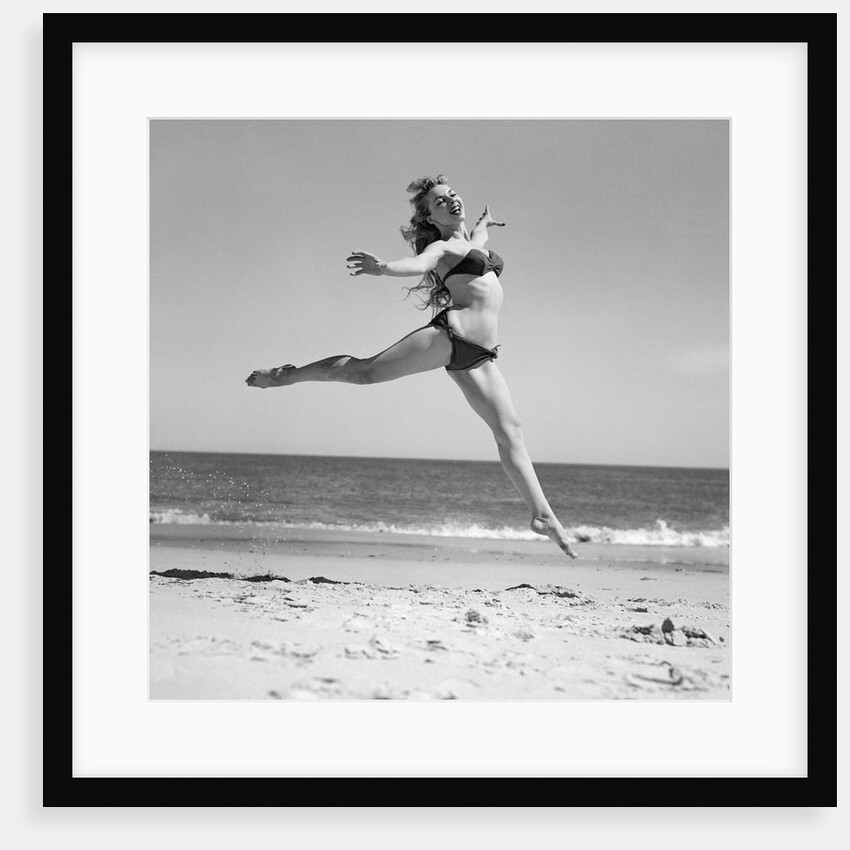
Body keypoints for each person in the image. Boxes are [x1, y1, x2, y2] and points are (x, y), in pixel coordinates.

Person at [246, 175, 577, 558]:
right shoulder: (439, 247)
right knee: (366, 372)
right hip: (450, 337)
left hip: (481, 356)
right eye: (440, 203)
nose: (451, 202)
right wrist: (383, 267)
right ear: (431, 219)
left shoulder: (471, 243)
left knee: (510, 432)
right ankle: (287, 375)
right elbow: (416, 263)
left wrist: (485, 223)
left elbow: (479, 240)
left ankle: (541, 515)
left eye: (452, 195)